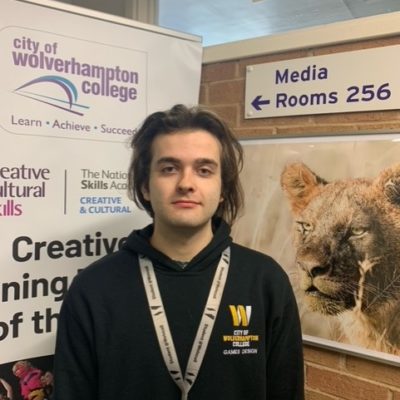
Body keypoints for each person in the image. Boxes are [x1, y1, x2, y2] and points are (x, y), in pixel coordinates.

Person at [53, 104, 304, 399]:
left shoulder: (265, 282)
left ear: (222, 188)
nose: (186, 183)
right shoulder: (94, 289)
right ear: (145, 186)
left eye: (204, 170)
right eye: (169, 168)